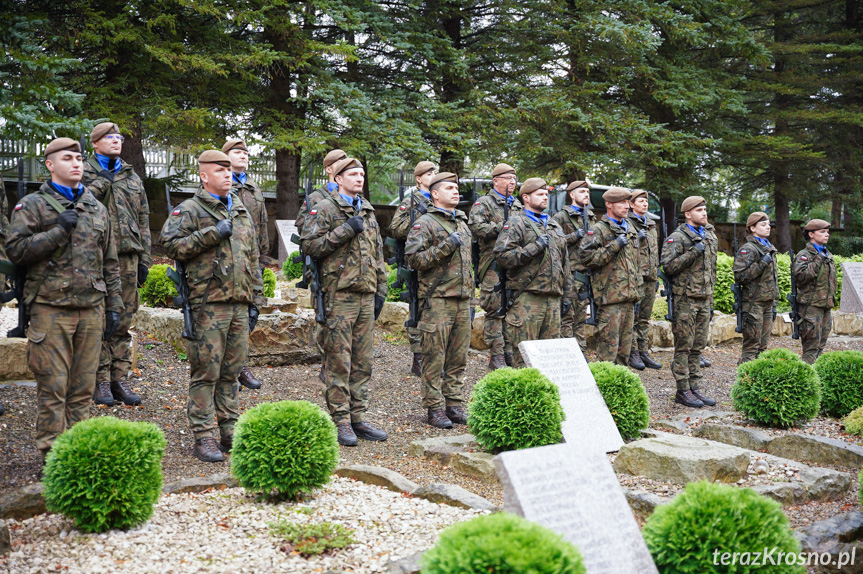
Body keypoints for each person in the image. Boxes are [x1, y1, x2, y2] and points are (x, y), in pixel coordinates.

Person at [6, 138, 122, 458]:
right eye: (68, 158)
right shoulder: (32, 205)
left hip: (90, 309)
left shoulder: (97, 208)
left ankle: (78, 452)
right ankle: (52, 455)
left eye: (80, 158)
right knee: (53, 387)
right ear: (50, 165)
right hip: (50, 308)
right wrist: (57, 231)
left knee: (83, 389)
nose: (76, 163)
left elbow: (110, 262)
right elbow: (15, 251)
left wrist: (114, 308)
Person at [160, 150, 264, 462]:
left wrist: (256, 299)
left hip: (239, 304)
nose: (227, 175)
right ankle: (203, 435)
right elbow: (170, 245)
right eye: (220, 171)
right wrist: (211, 234)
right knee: (206, 371)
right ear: (204, 176)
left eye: (229, 170)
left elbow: (253, 257)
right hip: (208, 304)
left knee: (232, 372)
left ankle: (229, 429)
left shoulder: (241, 209)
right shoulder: (190, 209)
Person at [300, 157, 389, 446]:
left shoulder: (368, 210)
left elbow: (377, 255)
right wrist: (345, 229)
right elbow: (310, 246)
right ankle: (340, 420)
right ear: (338, 178)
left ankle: (357, 417)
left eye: (362, 173)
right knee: (339, 361)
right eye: (353, 173)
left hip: (365, 294)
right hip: (338, 296)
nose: (359, 177)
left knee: (363, 362)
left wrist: (381, 291)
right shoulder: (325, 208)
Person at [82, 122, 150, 406]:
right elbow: (76, 206)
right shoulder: (83, 173)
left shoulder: (131, 176)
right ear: (95, 143)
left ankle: (118, 379)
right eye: (109, 137)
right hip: (95, 258)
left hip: (128, 258)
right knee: (99, 320)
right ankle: (99, 381)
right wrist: (101, 183)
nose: (116, 141)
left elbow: (144, 218)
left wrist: (145, 258)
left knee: (123, 320)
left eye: (119, 137)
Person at [405, 172, 472, 429]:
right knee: (434, 357)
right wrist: (446, 245)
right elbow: (414, 260)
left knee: (458, 357)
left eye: (457, 188)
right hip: (438, 300)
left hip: (462, 299)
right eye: (449, 188)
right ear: (434, 193)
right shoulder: (425, 223)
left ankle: (454, 404)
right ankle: (433, 408)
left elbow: (468, 265)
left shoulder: (462, 224)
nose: (456, 192)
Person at [493, 178, 572, 368]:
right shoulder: (516, 223)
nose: (545, 197)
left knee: (550, 360)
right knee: (525, 360)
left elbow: (565, 265)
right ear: (526, 198)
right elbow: (502, 256)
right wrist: (533, 248)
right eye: (540, 194)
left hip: (553, 301)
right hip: (527, 299)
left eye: (546, 194)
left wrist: (567, 297)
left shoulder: (554, 226)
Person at [660, 196, 718, 408]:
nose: (704, 213)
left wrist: (711, 298)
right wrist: (693, 252)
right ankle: (682, 390)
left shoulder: (710, 236)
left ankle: (695, 387)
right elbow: (667, 266)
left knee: (698, 347)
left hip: (704, 298)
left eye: (705, 209)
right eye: (699, 210)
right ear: (687, 214)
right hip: (685, 300)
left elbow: (712, 270)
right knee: (684, 346)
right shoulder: (678, 238)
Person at [468, 163, 523, 370]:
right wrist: (502, 227)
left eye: (514, 178)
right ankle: (496, 354)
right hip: (493, 264)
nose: (512, 182)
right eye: (507, 178)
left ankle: (509, 350)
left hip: (515, 263)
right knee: (495, 309)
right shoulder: (484, 203)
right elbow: (476, 227)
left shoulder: (517, 205)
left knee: (513, 308)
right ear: (496, 181)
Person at [223, 139, 268, 390]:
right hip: (229, 261)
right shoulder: (221, 186)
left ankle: (240, 363)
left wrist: (262, 257)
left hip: (252, 258)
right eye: (237, 152)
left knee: (251, 313)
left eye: (245, 153)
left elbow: (261, 224)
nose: (243, 156)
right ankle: (229, 367)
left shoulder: (253, 187)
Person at [579, 187, 641, 365]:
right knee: (608, 352)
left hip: (629, 298)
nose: (627, 206)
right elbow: (586, 258)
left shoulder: (630, 229)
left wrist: (637, 292)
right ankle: (603, 389)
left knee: (624, 353)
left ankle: (619, 390)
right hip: (610, 299)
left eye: (628, 202)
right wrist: (614, 245)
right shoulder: (598, 229)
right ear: (609, 204)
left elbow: (634, 264)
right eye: (621, 202)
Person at [390, 160, 436, 377]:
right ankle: (418, 356)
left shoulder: (438, 199)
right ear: (419, 178)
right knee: (417, 308)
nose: (433, 175)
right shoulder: (410, 202)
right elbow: (395, 229)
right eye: (430, 173)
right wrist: (417, 217)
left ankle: (434, 355)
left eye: (435, 172)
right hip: (416, 262)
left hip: (437, 263)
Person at [551, 180, 595, 353]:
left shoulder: (590, 216)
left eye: (587, 191)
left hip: (586, 273)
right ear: (572, 195)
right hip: (569, 274)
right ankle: (568, 353)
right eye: (582, 191)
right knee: (567, 316)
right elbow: (554, 243)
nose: (586, 194)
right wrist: (574, 236)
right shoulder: (561, 217)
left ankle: (581, 351)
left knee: (581, 317)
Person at [733, 212, 779, 365]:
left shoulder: (768, 247)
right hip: (753, 304)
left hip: (767, 302)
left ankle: (756, 381)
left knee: (762, 346)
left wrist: (774, 300)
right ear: (752, 228)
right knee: (751, 347)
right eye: (763, 224)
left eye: (768, 224)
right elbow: (740, 276)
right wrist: (762, 263)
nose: (768, 227)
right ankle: (744, 380)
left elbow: (772, 277)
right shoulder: (748, 249)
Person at [792, 219, 838, 364]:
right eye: (822, 232)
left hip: (825, 306)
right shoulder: (804, 255)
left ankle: (817, 380)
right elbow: (801, 277)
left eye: (827, 232)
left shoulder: (826, 253)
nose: (827, 235)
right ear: (811, 234)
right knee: (810, 350)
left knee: (820, 348)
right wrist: (818, 259)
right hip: (810, 308)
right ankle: (806, 381)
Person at [627, 189, 662, 370]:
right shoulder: (628, 223)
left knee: (644, 318)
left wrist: (656, 274)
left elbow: (654, 252)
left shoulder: (650, 224)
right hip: (636, 277)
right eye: (640, 201)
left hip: (650, 277)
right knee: (633, 317)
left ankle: (643, 351)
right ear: (631, 204)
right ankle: (632, 352)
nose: (645, 204)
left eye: (646, 201)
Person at [296, 149, 347, 235]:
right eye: (339, 163)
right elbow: (302, 229)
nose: (343, 167)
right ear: (328, 169)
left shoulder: (352, 196)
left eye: (345, 164)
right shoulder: (314, 198)